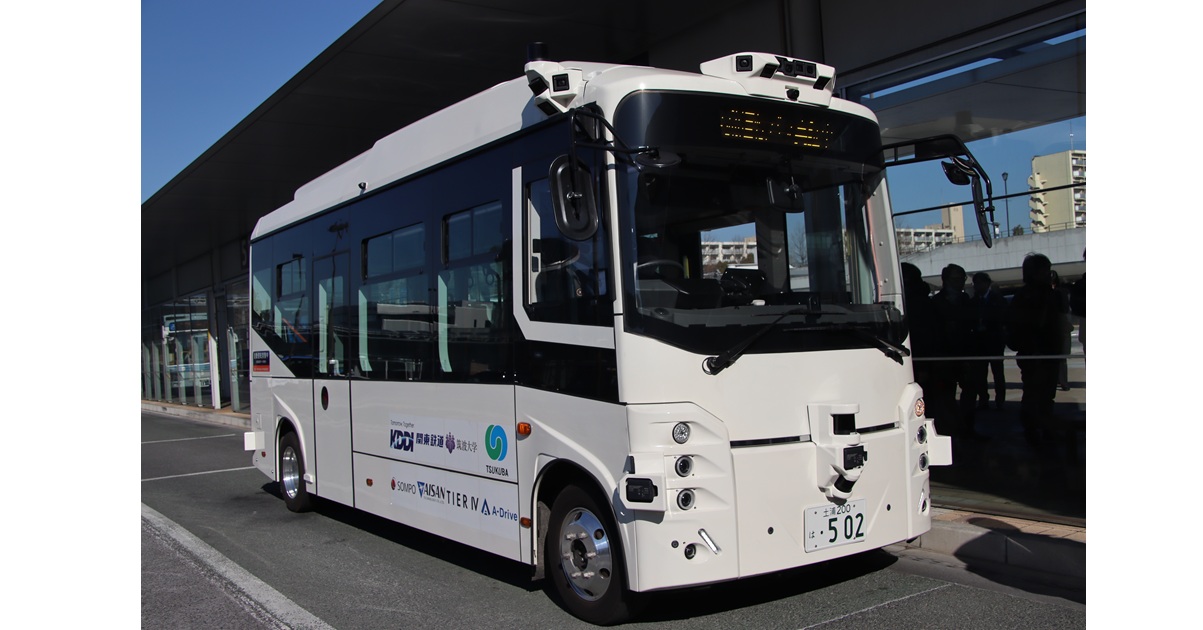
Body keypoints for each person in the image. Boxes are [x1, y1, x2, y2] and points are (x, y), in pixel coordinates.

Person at [1007, 253, 1069, 447]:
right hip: (1035, 353)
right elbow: (1020, 327)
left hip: (1045, 352)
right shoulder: (1029, 296)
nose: (1048, 274)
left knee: (1044, 394)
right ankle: (1034, 430)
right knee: (1035, 394)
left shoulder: (1047, 294)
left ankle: (1041, 428)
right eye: (1045, 270)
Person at [930, 263, 980, 438]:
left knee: (970, 392)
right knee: (945, 395)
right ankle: (950, 430)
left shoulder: (966, 300)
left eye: (962, 279)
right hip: (945, 355)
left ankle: (967, 428)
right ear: (945, 280)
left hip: (966, 353)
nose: (959, 283)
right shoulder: (936, 303)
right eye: (955, 279)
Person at [969, 272, 1007, 410]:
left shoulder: (997, 299)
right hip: (979, 342)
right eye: (976, 283)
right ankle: (983, 399)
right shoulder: (973, 302)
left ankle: (1000, 400)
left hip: (995, 341)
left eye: (980, 283)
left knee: (998, 372)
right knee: (980, 374)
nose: (977, 286)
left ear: (987, 283)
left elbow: (1003, 318)